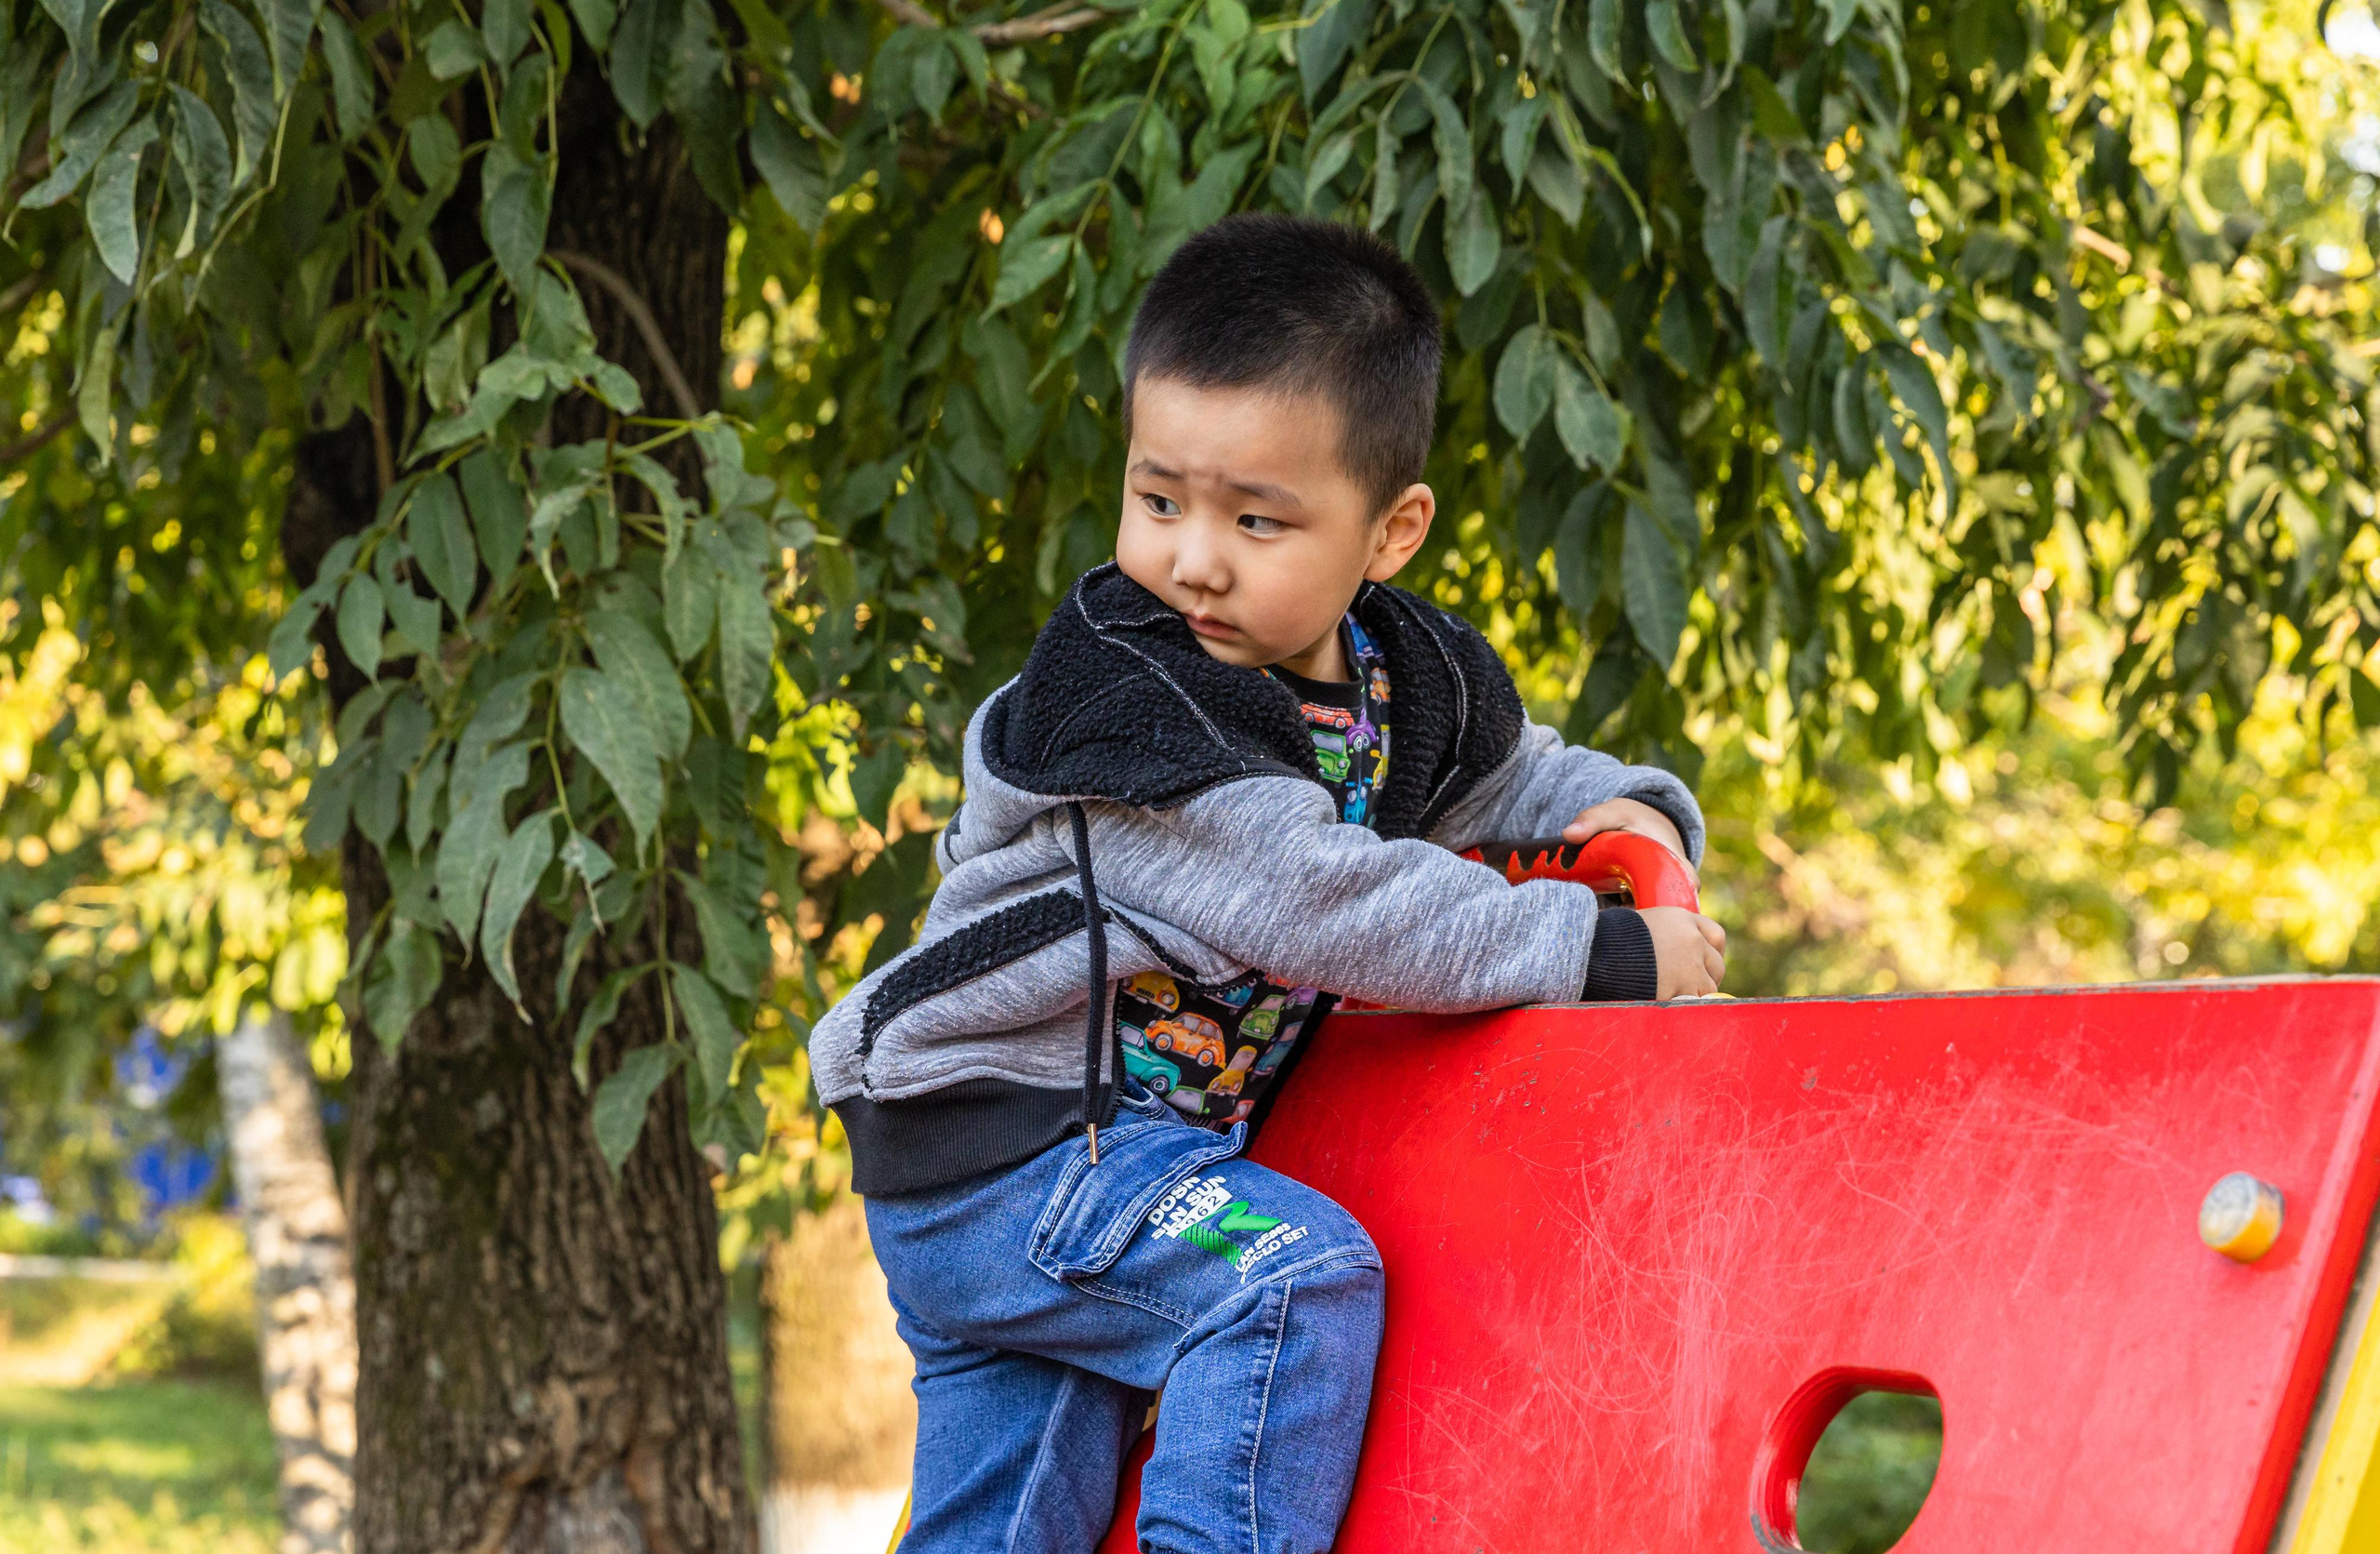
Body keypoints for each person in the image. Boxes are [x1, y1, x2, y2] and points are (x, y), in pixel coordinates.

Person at [806, 213, 1729, 1554]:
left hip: (1080, 1167)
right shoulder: (1133, 695)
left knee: (1009, 1520)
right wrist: (1604, 953)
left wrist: (1638, 816)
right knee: (1290, 1287)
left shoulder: (1402, 681)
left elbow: (1520, 777)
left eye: (1256, 518)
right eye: (1159, 498)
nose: (1194, 557)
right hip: (1010, 1144)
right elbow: (1329, 905)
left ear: (1390, 530)